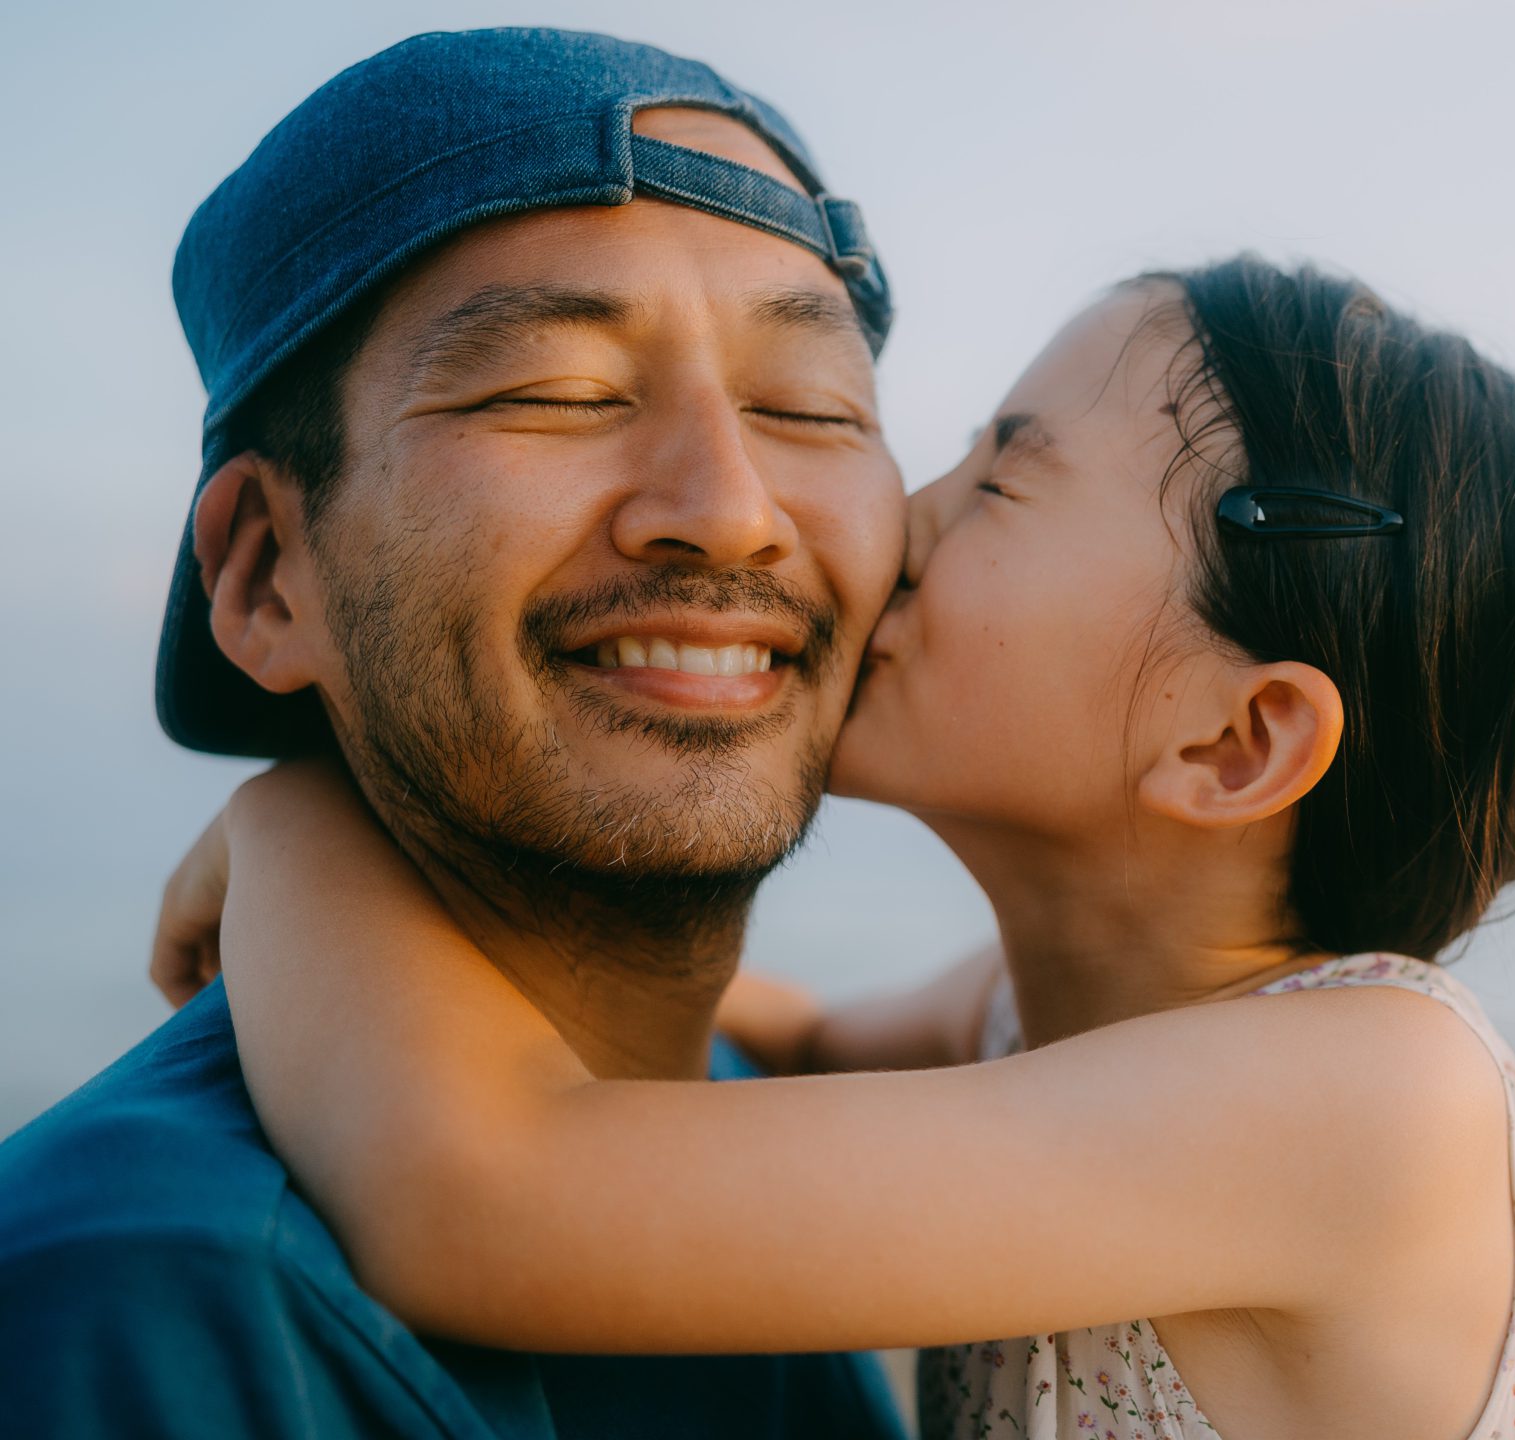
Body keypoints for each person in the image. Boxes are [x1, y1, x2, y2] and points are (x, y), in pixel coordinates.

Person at [170, 256, 1515, 1438]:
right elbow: (804, 1040)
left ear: (1231, 745)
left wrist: (304, 818)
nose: (893, 518)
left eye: (1000, 481)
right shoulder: (1028, 1019)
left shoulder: (1372, 1099)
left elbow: (482, 1201)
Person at [0, 29, 907, 1438]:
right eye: (554, 391)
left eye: (811, 408)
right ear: (261, 575)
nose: (730, 508)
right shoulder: (151, 1301)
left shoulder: (741, 1108)